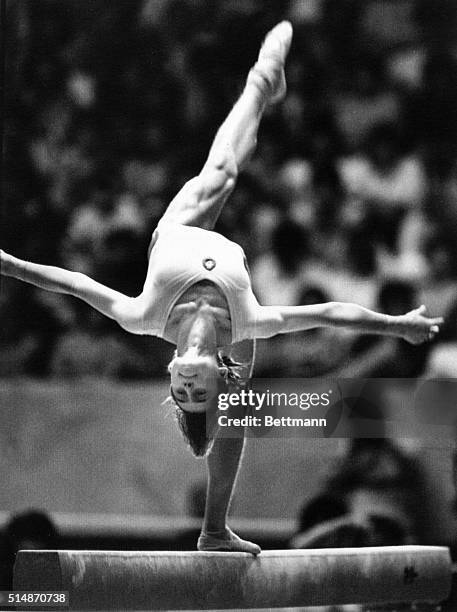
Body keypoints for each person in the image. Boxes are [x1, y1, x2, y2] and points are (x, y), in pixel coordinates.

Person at [0, 22, 443, 555]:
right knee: (235, 412)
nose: (188, 381)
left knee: (222, 172)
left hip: (179, 231)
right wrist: (395, 325)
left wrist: (8, 264)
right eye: (199, 389)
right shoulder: (248, 323)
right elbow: (328, 311)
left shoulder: (144, 315)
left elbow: (72, 283)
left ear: (170, 371)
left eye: (180, 390)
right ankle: (216, 525)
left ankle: (261, 81)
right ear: (212, 373)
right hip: (236, 319)